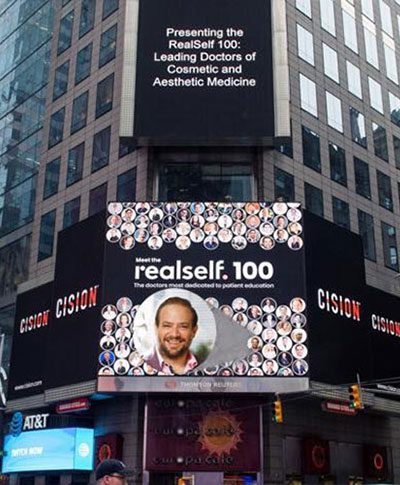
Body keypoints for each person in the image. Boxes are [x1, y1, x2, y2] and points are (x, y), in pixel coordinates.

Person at [145, 297, 200, 375]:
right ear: (156, 328)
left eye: (183, 326)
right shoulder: (141, 364)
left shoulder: (207, 366)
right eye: (167, 326)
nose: (174, 334)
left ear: (194, 331)